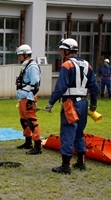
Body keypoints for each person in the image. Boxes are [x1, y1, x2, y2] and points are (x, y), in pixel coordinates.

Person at [45, 38, 99, 174]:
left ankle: (65, 165)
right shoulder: (88, 65)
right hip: (83, 103)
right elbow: (94, 87)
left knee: (68, 133)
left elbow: (60, 87)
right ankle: (81, 162)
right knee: (79, 133)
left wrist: (51, 102)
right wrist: (93, 103)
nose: (61, 53)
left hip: (70, 104)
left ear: (67, 50)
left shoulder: (67, 65)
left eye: (62, 50)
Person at [15, 44, 42, 155]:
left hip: (28, 98)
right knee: (24, 120)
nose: (19, 57)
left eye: (20, 55)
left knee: (31, 121)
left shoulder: (32, 67)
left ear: (25, 55)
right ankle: (28, 142)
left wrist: (30, 99)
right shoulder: (26, 65)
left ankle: (38, 145)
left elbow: (35, 84)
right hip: (23, 97)